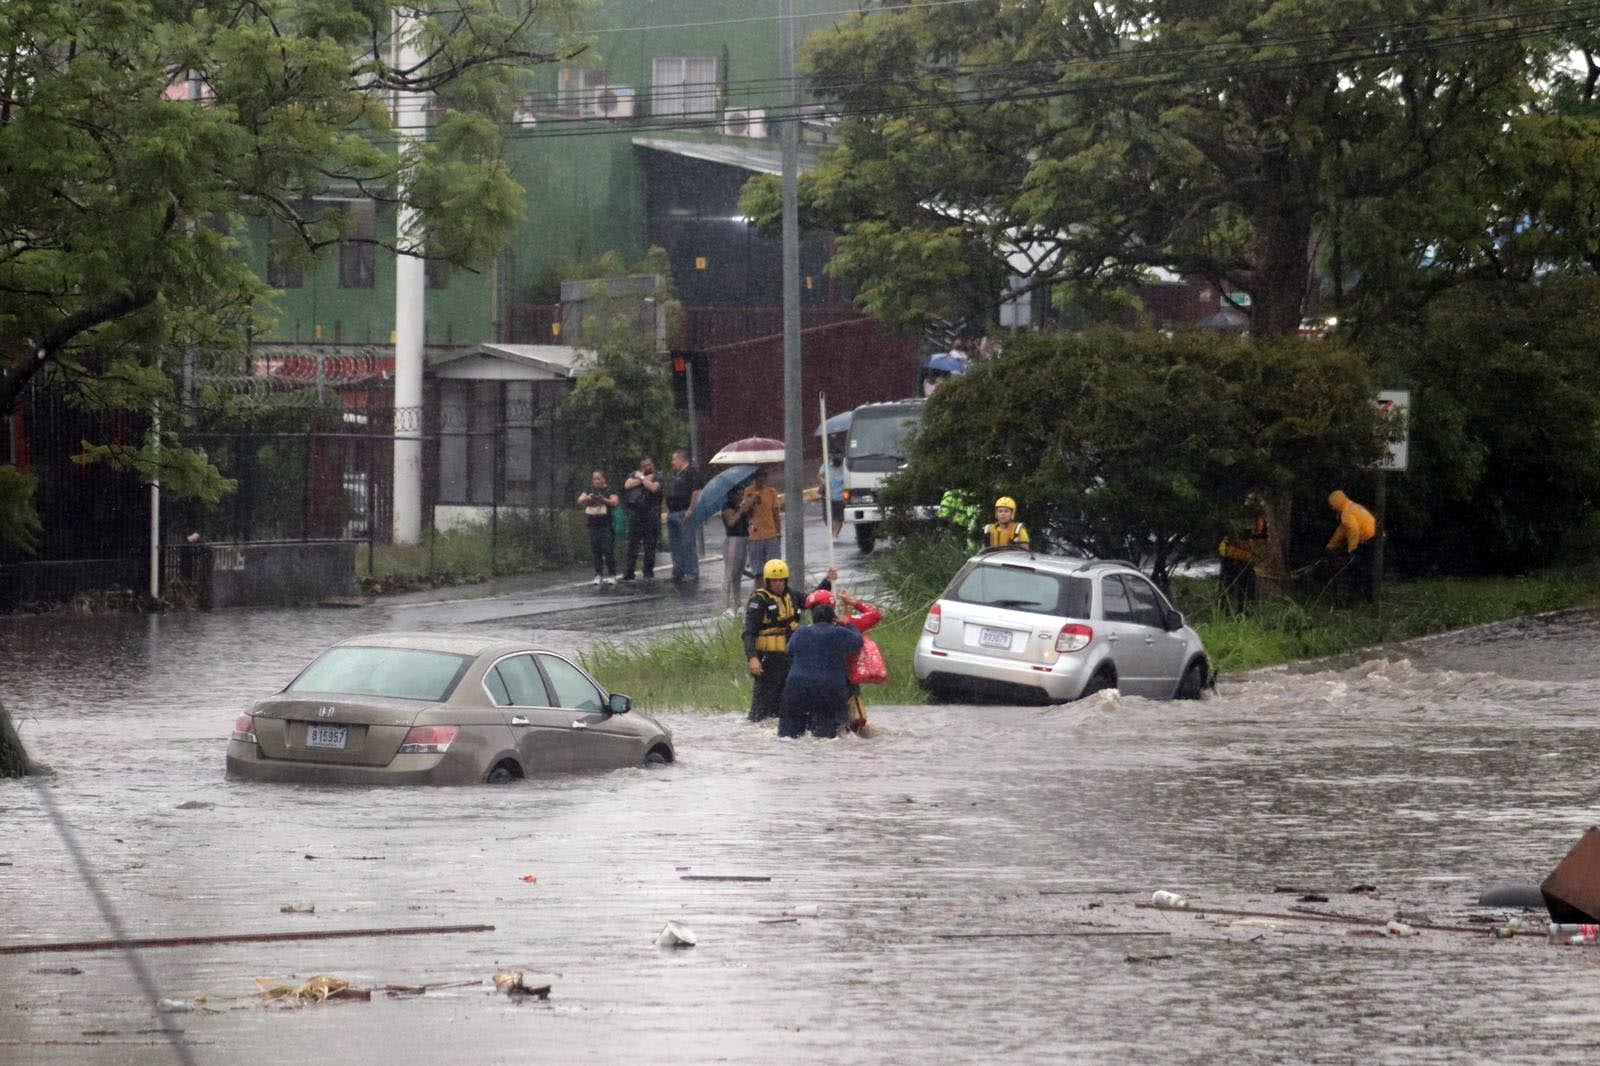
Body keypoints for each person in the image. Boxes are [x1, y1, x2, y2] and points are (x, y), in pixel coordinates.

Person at [779, 588, 864, 739]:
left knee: (789, 736)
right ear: (833, 618)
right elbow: (858, 642)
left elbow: (789, 650)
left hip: (796, 688)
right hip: (829, 688)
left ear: (813, 617)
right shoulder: (841, 633)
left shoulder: (800, 632)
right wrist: (848, 624)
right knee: (825, 737)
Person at [811, 569, 882, 734]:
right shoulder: (849, 623)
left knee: (826, 727)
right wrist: (852, 602)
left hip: (822, 683)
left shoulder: (808, 631)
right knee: (855, 726)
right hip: (846, 684)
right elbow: (875, 615)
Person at [743, 559, 799, 723]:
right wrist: (753, 658)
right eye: (774, 581)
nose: (778, 584)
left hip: (788, 659)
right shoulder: (759, 601)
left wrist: (827, 581)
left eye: (781, 580)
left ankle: (781, 732)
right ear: (767, 581)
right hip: (767, 660)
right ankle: (755, 730)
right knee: (762, 708)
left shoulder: (792, 595)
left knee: (787, 703)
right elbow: (749, 633)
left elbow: (814, 600)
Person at [1325, 488, 1377, 603]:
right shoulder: (1351, 507)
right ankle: (1367, 597)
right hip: (1375, 539)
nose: (1332, 508)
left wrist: (1352, 550)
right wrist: (1330, 546)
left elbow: (1353, 531)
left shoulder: (1346, 514)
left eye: (1332, 505)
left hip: (1372, 540)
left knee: (1362, 569)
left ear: (1337, 503)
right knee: (1366, 569)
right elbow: (1342, 530)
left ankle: (1366, 598)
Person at [1218, 494, 1267, 610]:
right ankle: (1225, 611)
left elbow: (1259, 538)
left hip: (1243, 557)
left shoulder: (1259, 519)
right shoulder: (1243, 518)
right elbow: (1242, 537)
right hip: (1231, 555)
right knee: (1229, 586)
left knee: (1246, 587)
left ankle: (1242, 611)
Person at [665, 449, 704, 587]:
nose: (672, 462)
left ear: (682, 459)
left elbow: (696, 491)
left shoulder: (691, 473)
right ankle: (678, 572)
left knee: (687, 543)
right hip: (673, 512)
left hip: (684, 512)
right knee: (675, 545)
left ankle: (692, 572)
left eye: (674, 459)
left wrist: (691, 509)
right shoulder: (678, 475)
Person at [621, 456, 662, 581]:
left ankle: (648, 572)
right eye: (644, 466)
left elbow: (653, 488)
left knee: (650, 544)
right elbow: (627, 485)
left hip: (651, 513)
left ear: (653, 465)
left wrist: (642, 479)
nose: (647, 467)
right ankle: (629, 572)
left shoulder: (658, 476)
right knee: (632, 544)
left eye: (649, 465)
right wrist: (642, 479)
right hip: (636, 513)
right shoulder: (634, 474)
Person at [577, 470, 619, 587]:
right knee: (596, 550)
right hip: (593, 523)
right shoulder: (589, 489)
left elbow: (615, 502)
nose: (597, 481)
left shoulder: (609, 490)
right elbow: (580, 500)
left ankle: (612, 574)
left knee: (608, 549)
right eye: (595, 479)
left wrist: (603, 499)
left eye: (599, 478)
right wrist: (588, 498)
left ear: (603, 479)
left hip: (606, 524)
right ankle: (598, 574)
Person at [721, 484, 757, 608]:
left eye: (742, 493)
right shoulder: (728, 506)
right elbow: (731, 522)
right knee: (730, 574)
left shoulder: (741, 505)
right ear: (732, 495)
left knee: (738, 574)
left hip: (744, 539)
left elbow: (748, 522)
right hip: (733, 539)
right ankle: (725, 604)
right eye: (739, 494)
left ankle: (737, 603)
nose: (741, 496)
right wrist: (741, 510)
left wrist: (748, 513)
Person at [743, 468, 782, 578]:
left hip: (771, 535)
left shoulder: (771, 492)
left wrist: (778, 532)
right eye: (758, 480)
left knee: (774, 570)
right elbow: (745, 511)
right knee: (758, 572)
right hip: (755, 537)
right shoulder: (748, 491)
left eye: (763, 479)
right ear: (754, 480)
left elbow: (775, 514)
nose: (760, 482)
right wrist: (752, 500)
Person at [820, 453, 845, 539]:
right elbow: (820, 475)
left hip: (840, 497)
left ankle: (835, 535)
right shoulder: (827, 465)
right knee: (826, 517)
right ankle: (832, 532)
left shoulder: (845, 468)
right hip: (828, 496)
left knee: (839, 518)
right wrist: (825, 482)